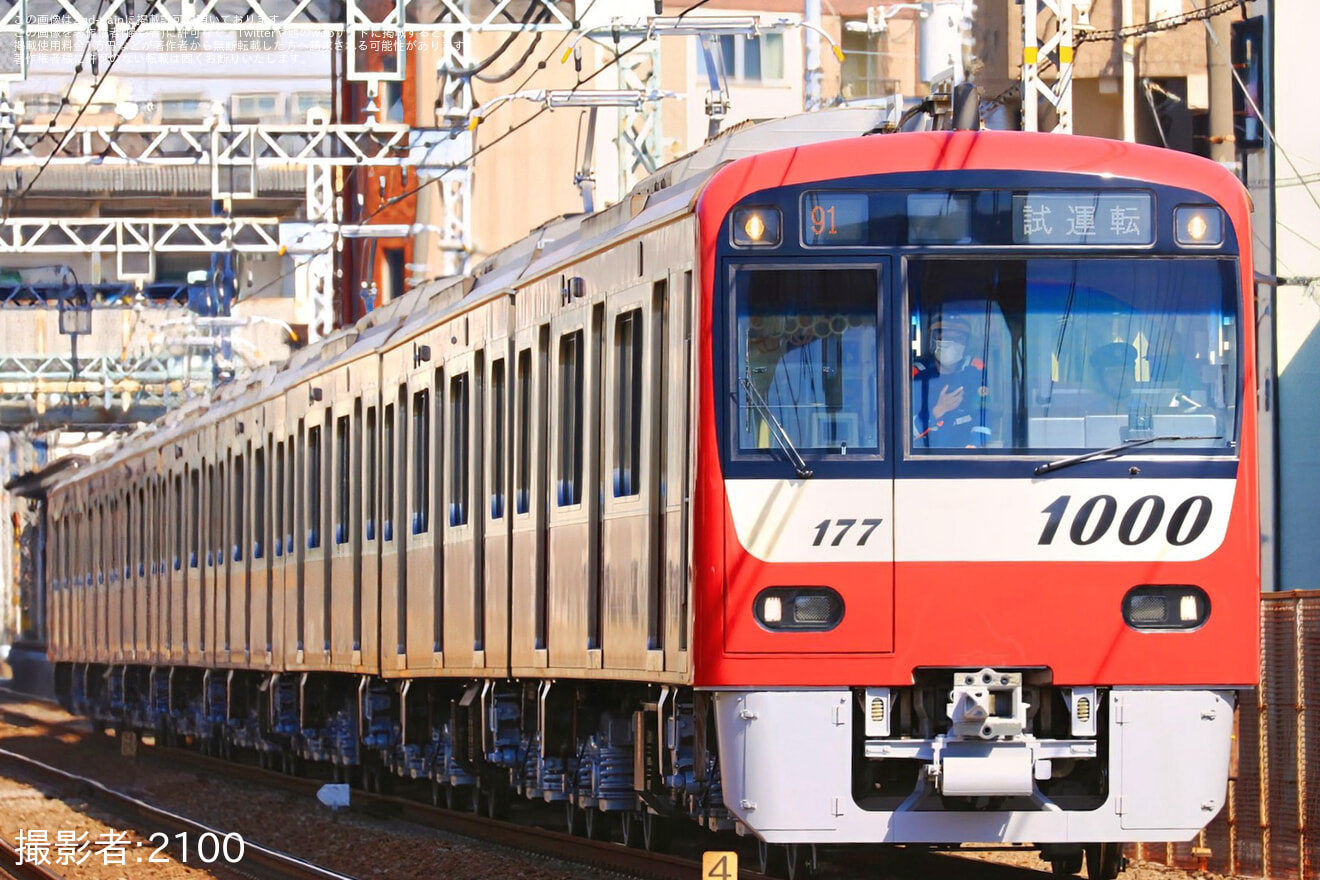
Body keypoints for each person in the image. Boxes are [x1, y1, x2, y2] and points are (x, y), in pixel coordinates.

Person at [912, 314, 993, 448]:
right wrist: (938, 411)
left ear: (966, 343)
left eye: (959, 338)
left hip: (963, 459)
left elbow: (983, 417)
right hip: (923, 459)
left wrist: (975, 445)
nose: (952, 343)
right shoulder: (918, 374)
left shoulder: (974, 371)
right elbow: (904, 432)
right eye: (946, 337)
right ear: (934, 340)